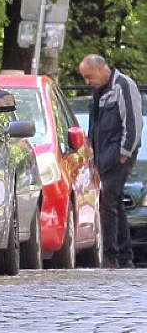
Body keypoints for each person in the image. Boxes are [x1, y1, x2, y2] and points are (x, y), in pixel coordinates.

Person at [78, 54, 143, 269]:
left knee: (107, 201)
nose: (87, 82)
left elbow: (133, 120)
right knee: (113, 203)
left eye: (89, 76)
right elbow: (94, 124)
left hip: (119, 153)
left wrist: (125, 151)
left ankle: (110, 255)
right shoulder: (98, 91)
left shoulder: (123, 85)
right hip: (103, 154)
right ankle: (125, 256)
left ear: (101, 69)